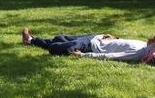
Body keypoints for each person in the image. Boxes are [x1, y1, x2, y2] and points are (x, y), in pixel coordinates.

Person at [23, 27, 155, 62]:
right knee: (59, 39)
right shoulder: (145, 45)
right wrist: (115, 38)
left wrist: (85, 56)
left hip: (90, 46)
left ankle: (30, 40)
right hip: (97, 37)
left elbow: (113, 56)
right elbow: (123, 44)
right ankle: (31, 40)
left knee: (55, 47)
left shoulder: (140, 53)